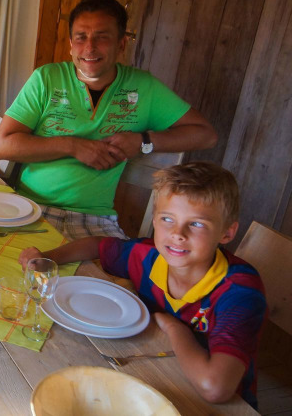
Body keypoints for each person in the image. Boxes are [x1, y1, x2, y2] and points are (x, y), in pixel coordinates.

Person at [19, 162, 265, 408]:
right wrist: (49, 258)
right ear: (155, 220)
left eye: (197, 224)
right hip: (150, 367)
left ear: (227, 233)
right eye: (167, 218)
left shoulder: (239, 291)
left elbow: (216, 388)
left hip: (219, 404)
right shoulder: (147, 256)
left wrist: (174, 328)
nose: (178, 233)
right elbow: (97, 245)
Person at [0, 0, 218, 240]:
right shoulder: (46, 78)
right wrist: (72, 146)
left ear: (121, 44)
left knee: (105, 278)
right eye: (81, 37)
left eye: (102, 37)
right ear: (70, 44)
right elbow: (2, 146)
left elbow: (206, 135)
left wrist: (144, 141)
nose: (89, 47)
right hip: (29, 207)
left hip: (96, 220)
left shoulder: (143, 87)